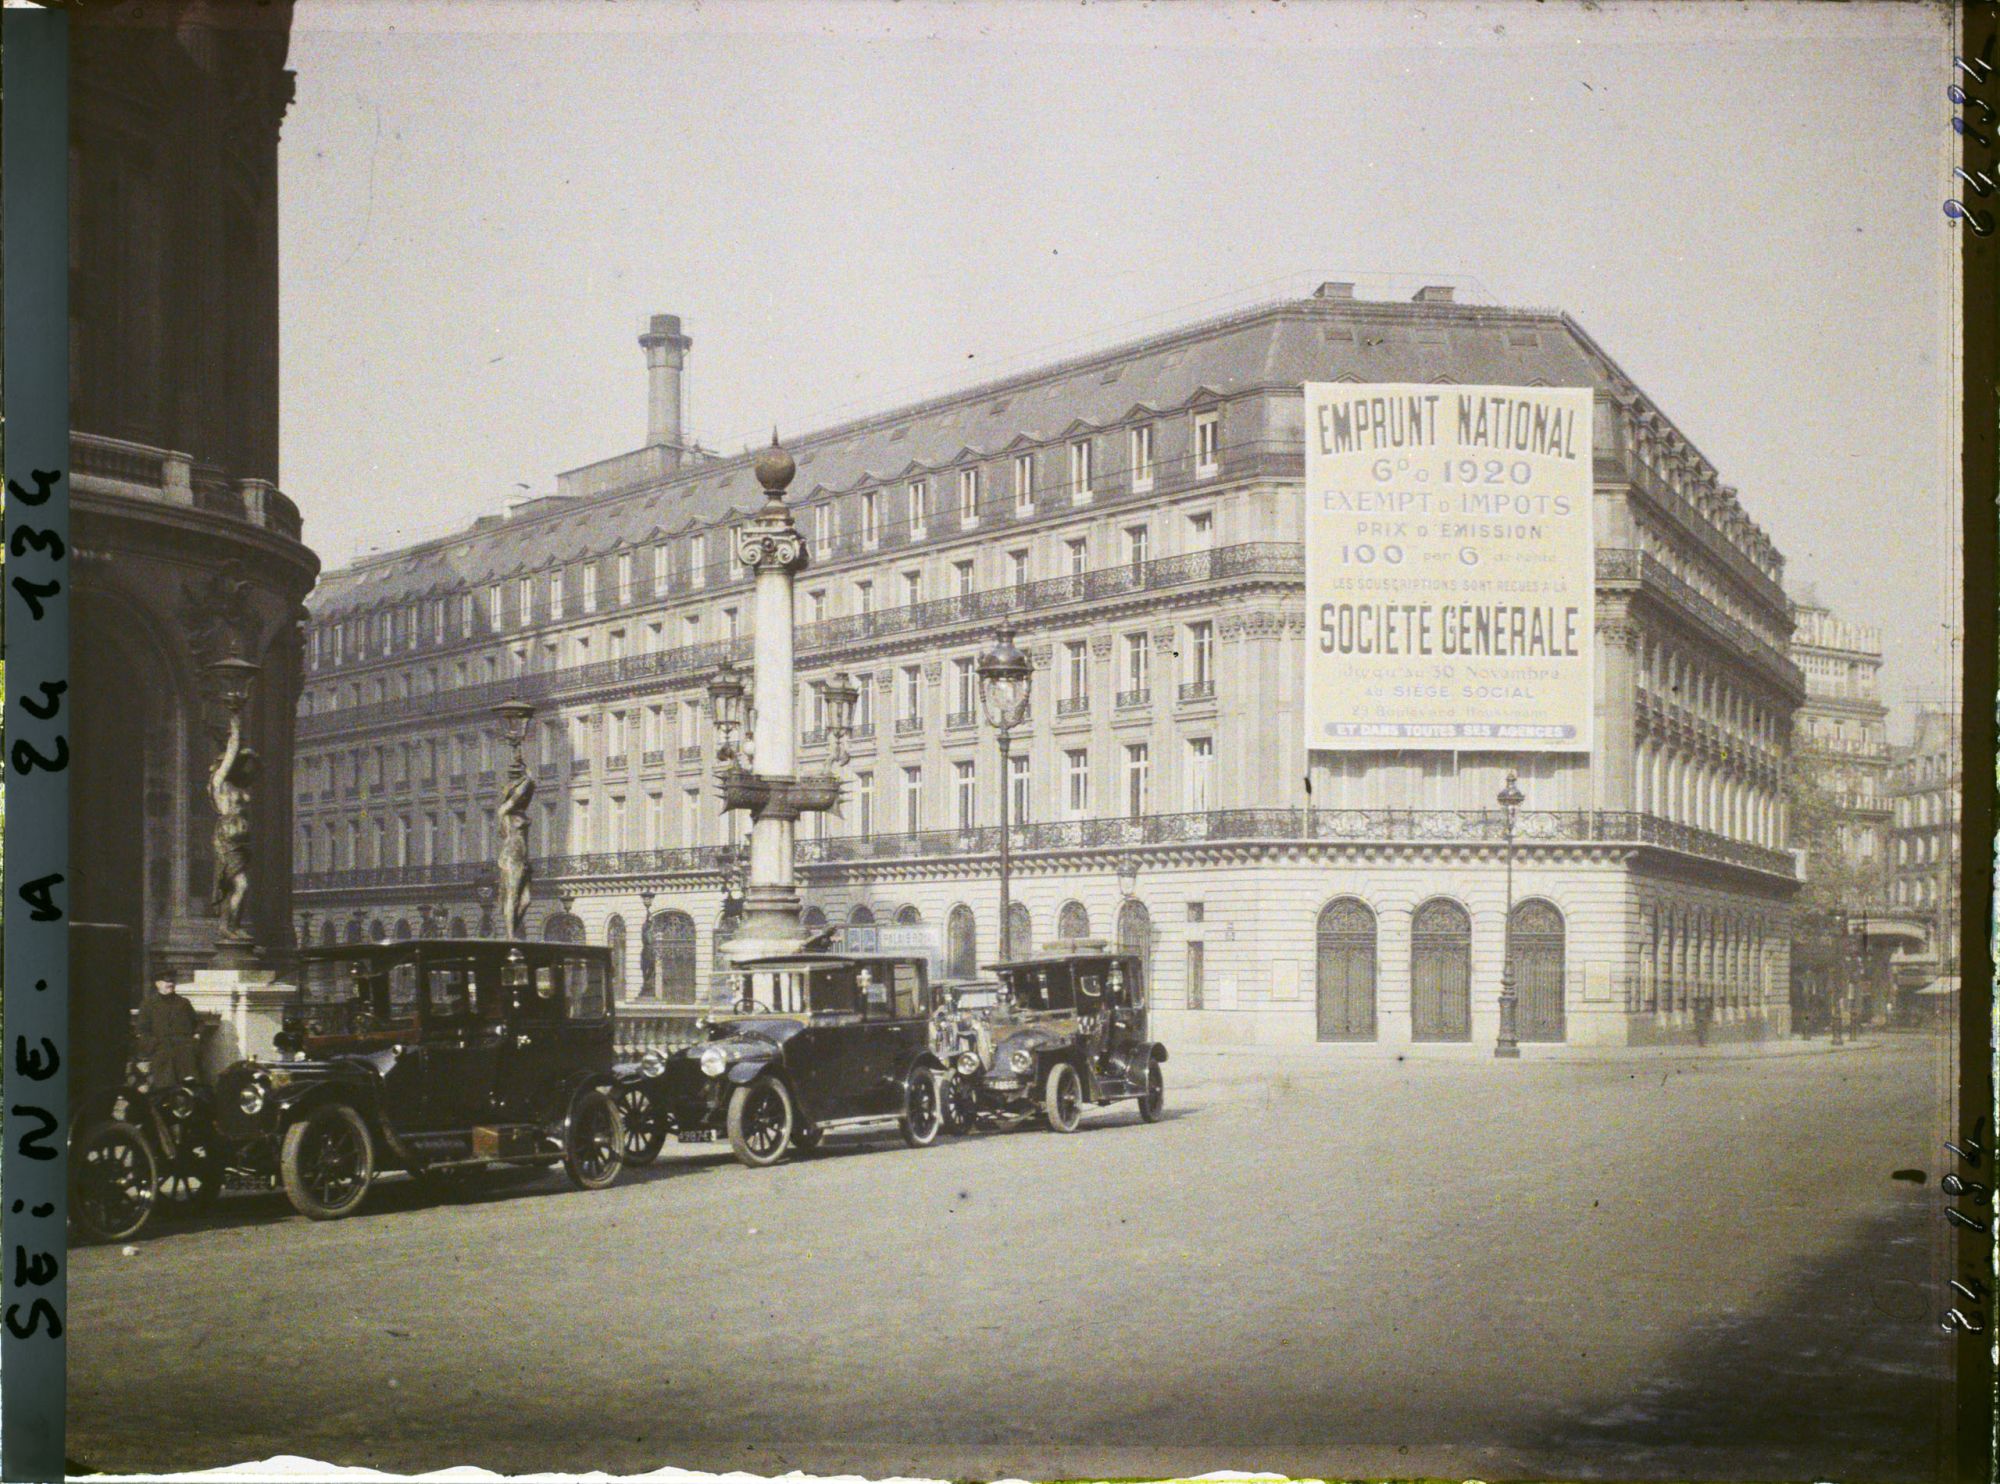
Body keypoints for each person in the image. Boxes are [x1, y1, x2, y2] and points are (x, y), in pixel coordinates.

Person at [135, 975, 202, 1086]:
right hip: (161, 1051)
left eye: (172, 981)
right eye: (166, 981)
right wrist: (154, 1044)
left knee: (190, 1085)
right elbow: (142, 1029)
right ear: (158, 984)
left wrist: (196, 1036)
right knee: (164, 1086)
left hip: (185, 1051)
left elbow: (197, 1023)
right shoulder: (148, 1004)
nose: (170, 984)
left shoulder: (183, 1003)